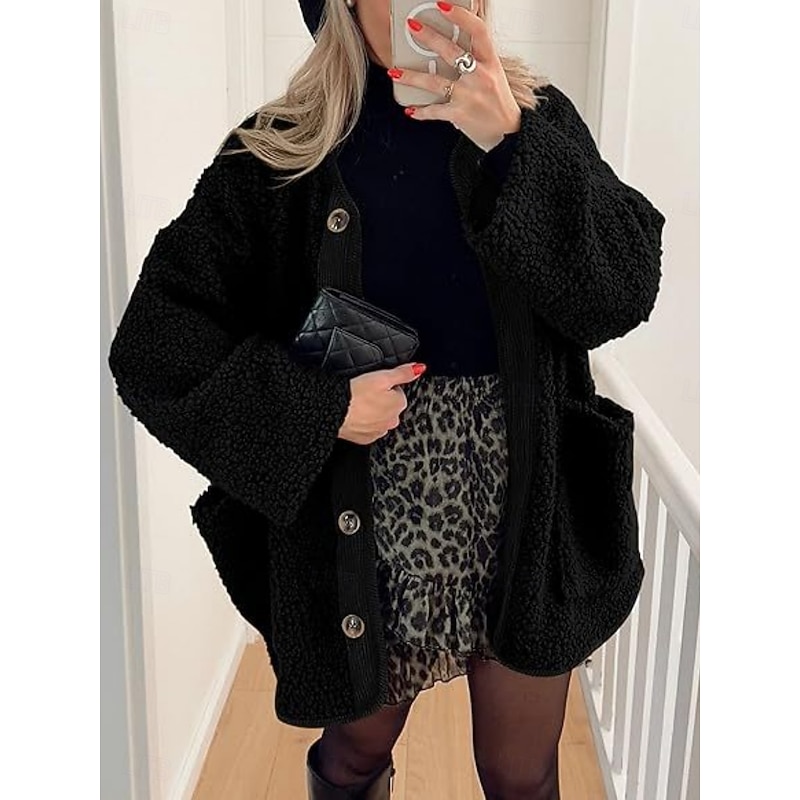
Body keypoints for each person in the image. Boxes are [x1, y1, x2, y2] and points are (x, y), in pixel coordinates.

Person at [107, 1, 666, 798]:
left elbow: (624, 287)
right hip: (363, 521)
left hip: (526, 514)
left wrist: (512, 142)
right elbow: (156, 345)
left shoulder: (536, 121)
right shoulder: (280, 152)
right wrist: (321, 409)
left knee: (522, 772)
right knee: (354, 757)